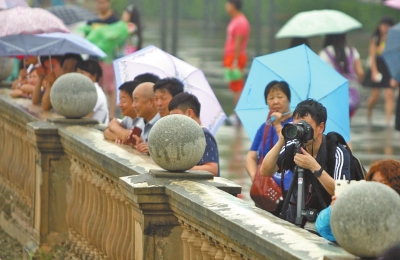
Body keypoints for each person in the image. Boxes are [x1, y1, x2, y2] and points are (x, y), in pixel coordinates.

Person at [260, 99, 351, 225]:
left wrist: (315, 168)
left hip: (325, 222)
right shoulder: (294, 146)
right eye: (297, 125)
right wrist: (281, 141)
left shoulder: (336, 152)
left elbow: (344, 193)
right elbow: (265, 170)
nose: (300, 130)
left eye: (305, 125)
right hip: (294, 216)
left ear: (321, 127)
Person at [316, 159, 400, 242]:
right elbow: (322, 228)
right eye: (374, 183)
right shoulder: (363, 206)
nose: (377, 187)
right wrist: (334, 209)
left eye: (384, 183)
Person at [246, 81, 292, 182]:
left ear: (288, 99)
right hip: (264, 188)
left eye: (280, 97)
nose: (275, 101)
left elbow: (287, 144)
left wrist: (278, 125)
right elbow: (251, 157)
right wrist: (255, 177)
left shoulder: (294, 125)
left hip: (287, 190)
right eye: (271, 98)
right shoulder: (264, 127)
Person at [168, 93, 220, 177]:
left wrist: (182, 168)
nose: (173, 121)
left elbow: (212, 169)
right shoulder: (185, 135)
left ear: (189, 113)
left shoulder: (203, 135)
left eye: (176, 116)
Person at [87, 0, 120, 119]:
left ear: (109, 3)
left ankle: (111, 116)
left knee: (110, 87)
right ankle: (94, 111)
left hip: (108, 58)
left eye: (104, 3)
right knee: (95, 85)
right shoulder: (92, 20)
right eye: (99, 3)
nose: (101, 5)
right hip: (94, 57)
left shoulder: (115, 20)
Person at [319, 33, 364, 118]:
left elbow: (320, 75)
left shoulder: (325, 53)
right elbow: (360, 73)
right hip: (351, 96)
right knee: (347, 123)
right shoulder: (352, 51)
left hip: (332, 95)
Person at [363, 16, 396, 127]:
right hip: (377, 66)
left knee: (389, 94)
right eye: (383, 25)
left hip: (389, 67)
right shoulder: (376, 39)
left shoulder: (395, 39)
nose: (385, 28)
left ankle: (388, 121)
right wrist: (374, 71)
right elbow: (372, 57)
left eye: (388, 26)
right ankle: (369, 113)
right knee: (375, 95)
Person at [223, 0, 250, 125]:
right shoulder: (235, 20)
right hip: (231, 57)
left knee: (237, 86)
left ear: (233, 5)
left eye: (228, 4)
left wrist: (235, 60)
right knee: (234, 86)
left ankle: (237, 115)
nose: (226, 6)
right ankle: (236, 114)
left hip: (236, 58)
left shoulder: (240, 21)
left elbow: (238, 43)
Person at [130, 82, 160, 154]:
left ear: (151, 101)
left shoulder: (163, 124)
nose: (133, 105)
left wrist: (154, 151)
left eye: (136, 100)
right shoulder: (140, 121)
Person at [77, 59, 109, 124]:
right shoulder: (85, 91)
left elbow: (85, 117)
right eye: (77, 72)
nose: (78, 76)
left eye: (82, 73)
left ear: (94, 76)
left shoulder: (96, 93)